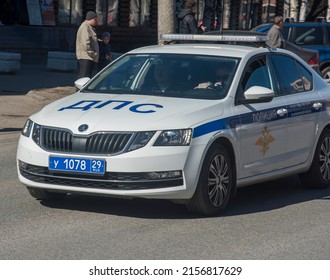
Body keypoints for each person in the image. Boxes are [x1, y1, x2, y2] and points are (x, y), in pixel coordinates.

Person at [76, 11, 99, 78]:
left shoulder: (89, 27)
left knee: (87, 77)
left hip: (88, 57)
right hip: (86, 57)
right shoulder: (85, 28)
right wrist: (93, 53)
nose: (96, 21)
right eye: (95, 19)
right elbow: (86, 43)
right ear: (91, 19)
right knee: (83, 77)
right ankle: (80, 88)